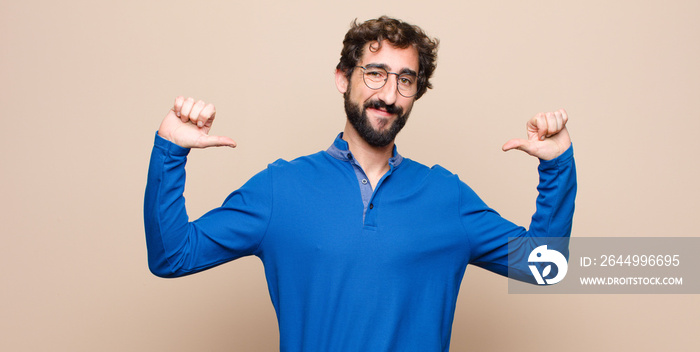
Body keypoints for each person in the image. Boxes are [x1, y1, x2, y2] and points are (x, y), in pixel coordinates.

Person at [144, 16, 576, 352]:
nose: (389, 94)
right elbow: (172, 256)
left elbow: (546, 268)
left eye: (405, 80)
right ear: (342, 78)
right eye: (375, 73)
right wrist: (169, 151)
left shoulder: (447, 196)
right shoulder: (281, 189)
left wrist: (556, 167)